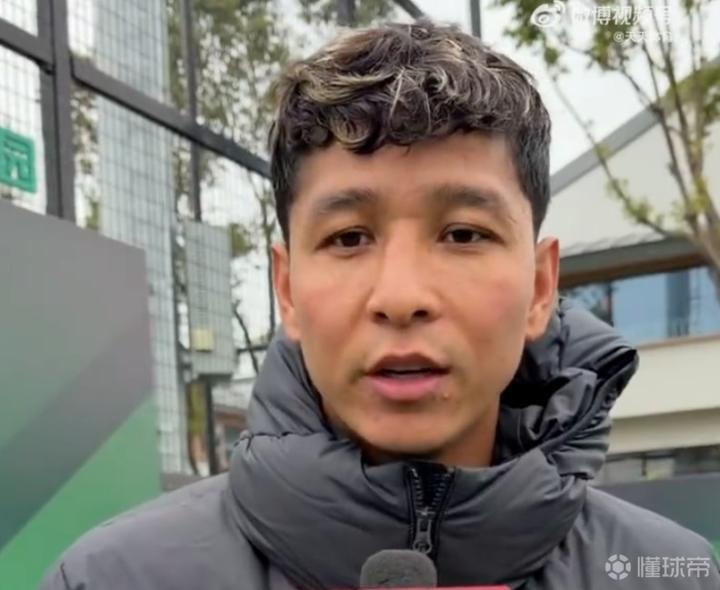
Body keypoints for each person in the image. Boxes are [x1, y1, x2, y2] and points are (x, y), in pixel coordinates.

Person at [40, 20, 719, 590]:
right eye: (348, 238)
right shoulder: (113, 578)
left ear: (541, 287)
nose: (400, 297)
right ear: (287, 289)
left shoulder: (674, 575)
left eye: (463, 234)